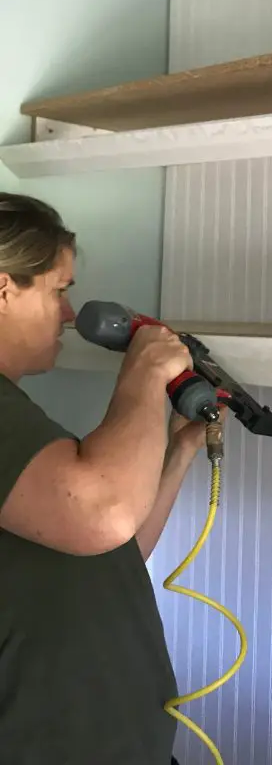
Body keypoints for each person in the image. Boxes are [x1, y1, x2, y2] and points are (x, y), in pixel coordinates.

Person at [0, 192, 211, 764]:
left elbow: (112, 545)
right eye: (58, 290)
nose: (68, 314)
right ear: (3, 289)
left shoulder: (16, 415)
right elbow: (102, 516)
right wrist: (145, 369)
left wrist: (180, 449)